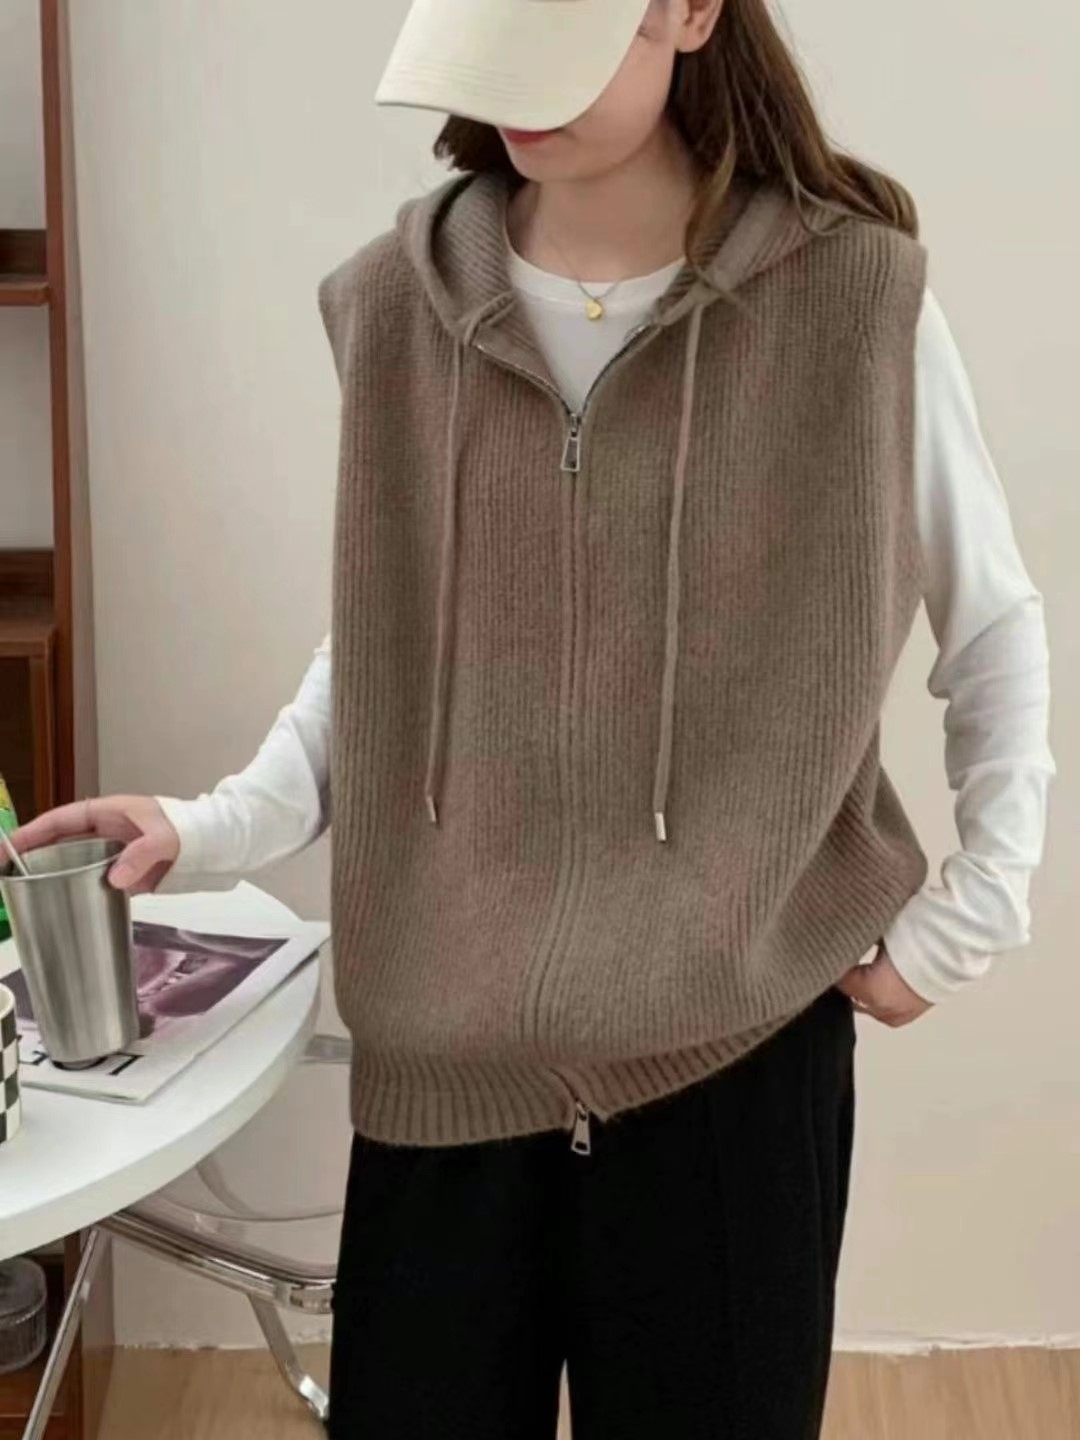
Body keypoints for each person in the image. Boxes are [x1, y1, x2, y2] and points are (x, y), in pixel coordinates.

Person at [11, 1, 1056, 1435]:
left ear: (688, 11)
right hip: (445, 1069)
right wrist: (214, 826)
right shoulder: (395, 304)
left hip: (730, 1061)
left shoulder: (857, 300)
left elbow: (990, 619)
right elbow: (393, 640)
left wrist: (973, 914)